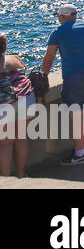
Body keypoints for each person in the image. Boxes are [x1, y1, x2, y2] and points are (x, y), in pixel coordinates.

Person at [40, 4, 84, 165]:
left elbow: (49, 58)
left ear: (62, 17)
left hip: (75, 77)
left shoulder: (57, 33)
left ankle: (80, 153)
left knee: (75, 115)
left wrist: (43, 76)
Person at [0, 32, 37, 177]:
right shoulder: (15, 59)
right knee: (21, 138)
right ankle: (22, 175)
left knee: (6, 143)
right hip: (26, 100)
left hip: (7, 105)